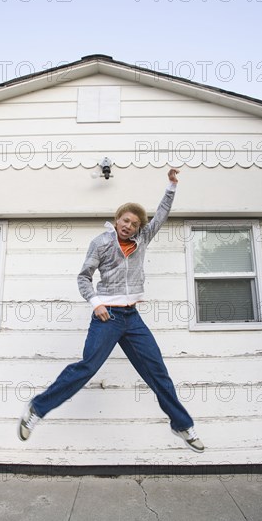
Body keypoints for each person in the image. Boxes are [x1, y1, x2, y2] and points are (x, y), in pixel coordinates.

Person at [18, 169, 204, 453]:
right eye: (124, 220)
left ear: (139, 227)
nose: (128, 226)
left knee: (158, 373)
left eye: (134, 223)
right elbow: (83, 277)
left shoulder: (142, 240)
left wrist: (171, 185)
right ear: (117, 220)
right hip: (108, 317)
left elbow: (162, 214)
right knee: (87, 367)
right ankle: (37, 409)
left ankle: (181, 425)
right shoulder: (101, 243)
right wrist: (97, 303)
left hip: (133, 318)